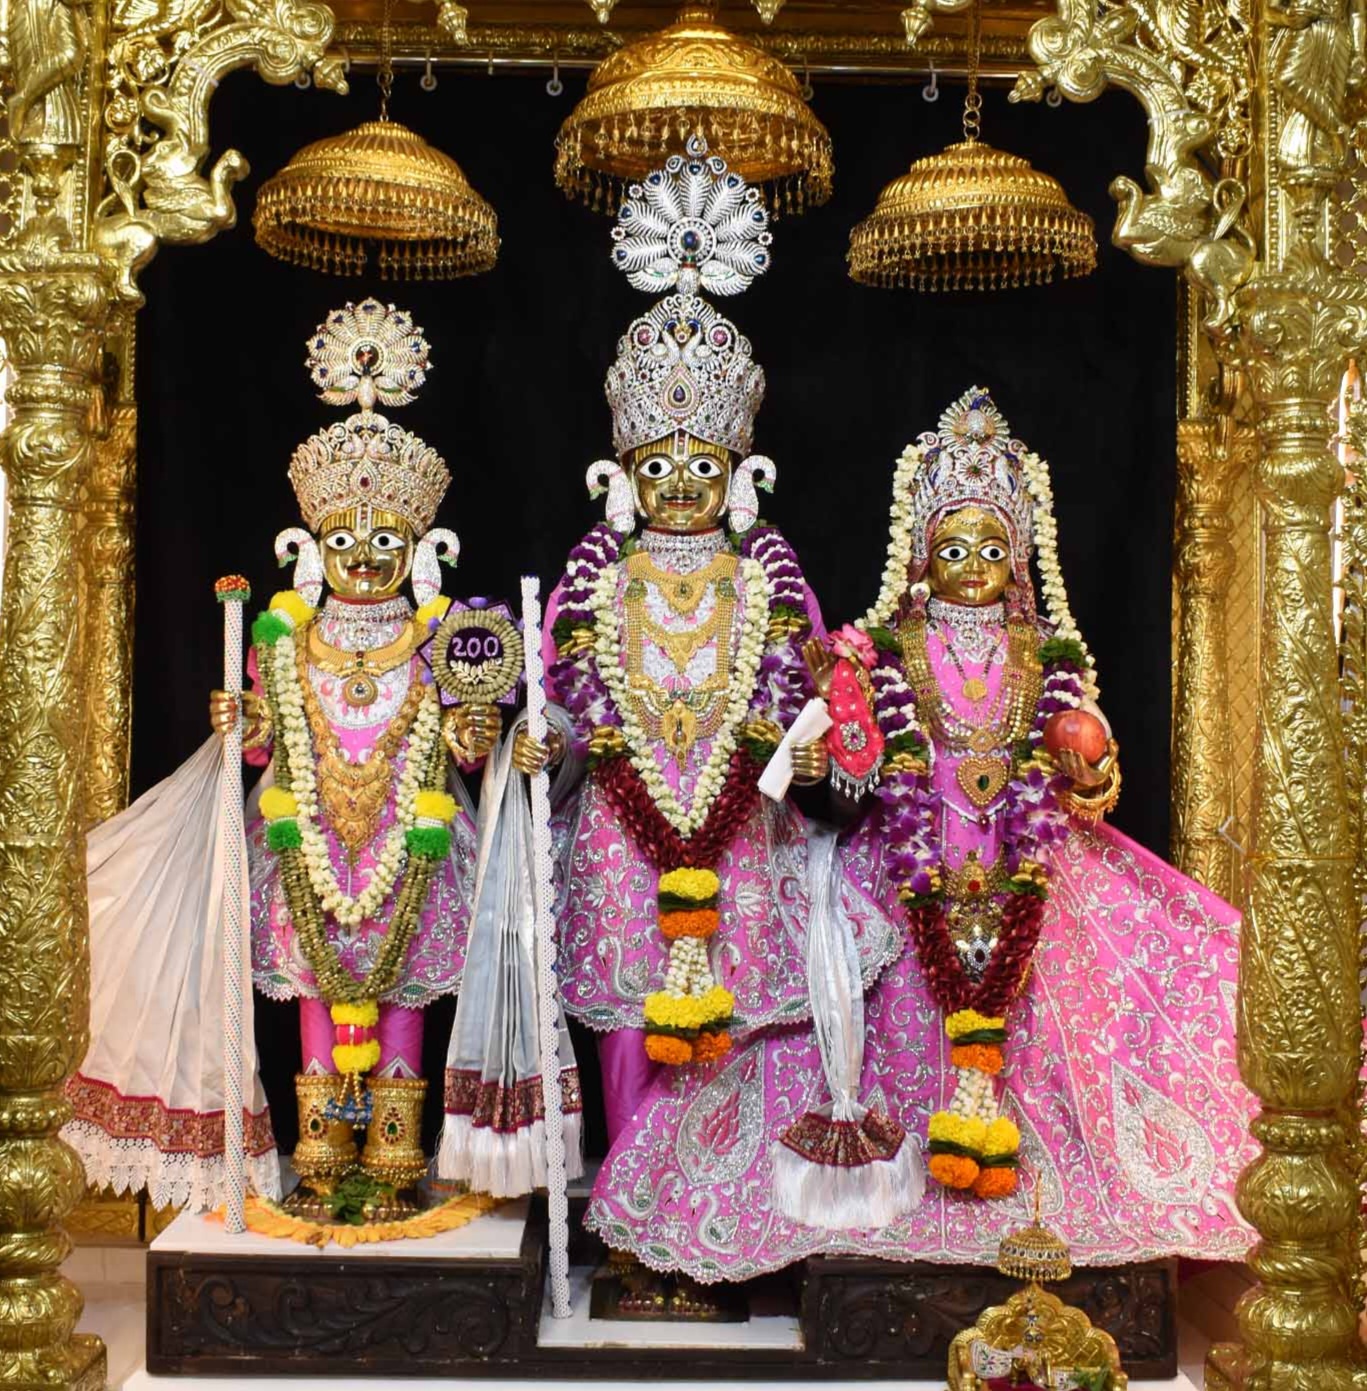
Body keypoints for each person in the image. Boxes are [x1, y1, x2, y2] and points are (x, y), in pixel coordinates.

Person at [582, 387, 1254, 1279]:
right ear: (920, 556)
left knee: (1077, 1020)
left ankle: (1033, 1184)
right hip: (904, 866)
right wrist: (833, 761)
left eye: (991, 549)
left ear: (1020, 559)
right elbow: (854, 771)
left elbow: (1091, 776)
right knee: (855, 1011)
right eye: (952, 549)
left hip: (1027, 864)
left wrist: (1087, 768)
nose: (971, 567)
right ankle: (878, 1188)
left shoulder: (1044, 652)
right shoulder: (882, 651)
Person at [513, 137, 905, 1309]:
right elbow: (567, 696)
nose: (680, 481)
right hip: (620, 831)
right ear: (623, 470)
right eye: (658, 461)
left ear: (736, 468)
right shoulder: (591, 579)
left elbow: (811, 701)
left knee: (732, 1027)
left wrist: (820, 743)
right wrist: (546, 743)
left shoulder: (768, 580)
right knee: (627, 1022)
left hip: (742, 832)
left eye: (700, 461)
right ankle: (633, 1241)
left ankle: (716, 1233)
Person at [65, 299, 501, 1211]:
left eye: (385, 542)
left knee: (403, 1001)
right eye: (343, 541)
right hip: (306, 849)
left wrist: (474, 733)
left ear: (421, 547)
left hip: (412, 853)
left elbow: (463, 749)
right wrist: (240, 718)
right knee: (313, 999)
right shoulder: (287, 637)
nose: (365, 559)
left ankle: (394, 1166)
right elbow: (268, 738)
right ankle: (323, 1159)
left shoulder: (438, 635)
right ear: (309, 547)